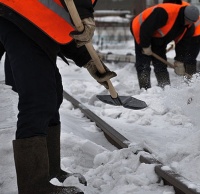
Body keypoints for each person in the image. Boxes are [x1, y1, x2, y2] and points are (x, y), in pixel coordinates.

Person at [0, 0, 116, 193]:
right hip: (19, 14)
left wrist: (88, 61)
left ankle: (49, 171)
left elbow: (61, 22)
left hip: (33, 20)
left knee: (52, 95)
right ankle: (34, 186)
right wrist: (85, 13)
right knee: (38, 98)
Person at [130, 3, 199, 89]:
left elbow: (183, 44)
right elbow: (146, 28)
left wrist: (179, 61)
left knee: (161, 64)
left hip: (159, 37)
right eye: (188, 20)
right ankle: (145, 90)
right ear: (183, 16)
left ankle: (165, 88)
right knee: (144, 63)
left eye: (191, 22)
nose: (188, 23)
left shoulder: (189, 27)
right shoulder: (164, 13)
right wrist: (145, 46)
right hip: (141, 30)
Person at [163, 0, 200, 75]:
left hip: (196, 34)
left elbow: (182, 26)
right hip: (191, 33)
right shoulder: (179, 6)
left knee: (189, 57)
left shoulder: (182, 8)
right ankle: (186, 75)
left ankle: (190, 76)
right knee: (186, 56)